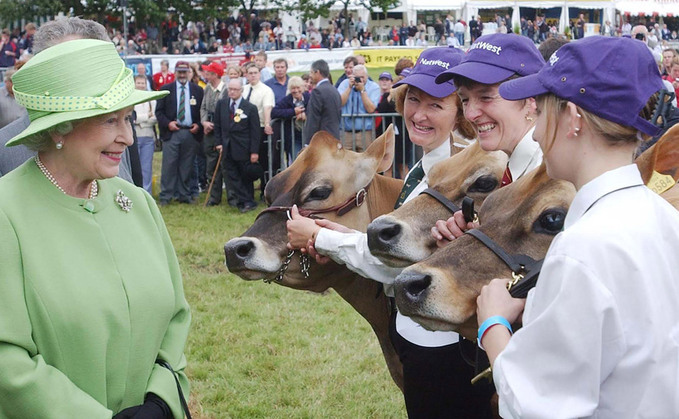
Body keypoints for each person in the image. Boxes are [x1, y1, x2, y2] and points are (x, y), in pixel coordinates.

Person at [477, 35, 679, 419]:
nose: (535, 133)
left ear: (572, 118)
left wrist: (493, 322)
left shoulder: (582, 249)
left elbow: (534, 404)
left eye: (542, 112)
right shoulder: (665, 216)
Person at [286, 46, 493, 419]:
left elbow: (399, 262)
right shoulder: (428, 162)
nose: (419, 113)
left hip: (443, 341)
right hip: (417, 330)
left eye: (436, 105)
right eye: (413, 99)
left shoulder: (460, 171)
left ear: (459, 111)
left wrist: (320, 237)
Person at [0, 37, 191, 418]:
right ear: (60, 129)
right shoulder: (7, 212)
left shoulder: (137, 203)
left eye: (127, 119)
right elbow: (7, 359)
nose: (128, 137)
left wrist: (160, 401)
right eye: (110, 120)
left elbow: (175, 318)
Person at [431, 33, 545, 244]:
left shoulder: (549, 172)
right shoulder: (517, 166)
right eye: (464, 99)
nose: (471, 114)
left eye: (486, 97)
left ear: (531, 100)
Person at [155, 60, 204, 205]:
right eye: (180, 72)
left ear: (189, 72)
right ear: (175, 72)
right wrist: (168, 123)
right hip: (173, 132)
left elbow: (203, 112)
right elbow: (159, 112)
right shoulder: (166, 89)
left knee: (186, 165)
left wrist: (199, 125)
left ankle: (184, 194)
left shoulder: (197, 90)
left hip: (190, 132)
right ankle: (166, 195)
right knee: (169, 165)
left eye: (185, 72)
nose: (182, 75)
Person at [214, 78, 261, 212]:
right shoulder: (222, 104)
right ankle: (243, 200)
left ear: (241, 90)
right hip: (227, 147)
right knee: (231, 175)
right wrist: (218, 143)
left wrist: (254, 151)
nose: (232, 92)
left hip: (243, 148)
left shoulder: (249, 108)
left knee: (245, 175)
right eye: (230, 89)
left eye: (235, 89)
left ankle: (248, 201)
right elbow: (217, 126)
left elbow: (255, 131)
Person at [200, 61, 232, 207]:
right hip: (209, 130)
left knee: (226, 165)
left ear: (215, 74)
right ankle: (214, 196)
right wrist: (204, 122)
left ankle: (232, 196)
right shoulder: (207, 88)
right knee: (211, 164)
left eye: (209, 72)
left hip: (223, 130)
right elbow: (203, 107)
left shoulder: (226, 90)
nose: (206, 75)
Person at [337, 64, 381, 152]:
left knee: (365, 162)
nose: (360, 80)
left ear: (367, 76)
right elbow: (339, 103)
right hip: (346, 132)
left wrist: (362, 90)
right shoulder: (345, 84)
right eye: (357, 77)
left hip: (365, 132)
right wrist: (349, 88)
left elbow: (371, 109)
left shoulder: (374, 87)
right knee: (345, 162)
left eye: (362, 77)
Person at [271, 76, 310, 161]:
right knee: (297, 160)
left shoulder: (309, 97)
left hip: (309, 136)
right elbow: (274, 112)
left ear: (302, 88)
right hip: (293, 138)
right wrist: (293, 112)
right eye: (293, 88)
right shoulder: (286, 100)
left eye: (298, 87)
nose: (296, 91)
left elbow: (316, 109)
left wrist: (305, 114)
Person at [302, 59, 341, 145]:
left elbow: (313, 118)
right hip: (334, 138)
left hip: (322, 141)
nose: (310, 76)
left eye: (311, 72)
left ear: (317, 72)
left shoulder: (317, 91)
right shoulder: (334, 90)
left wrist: (308, 143)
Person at [133, 74, 158, 193]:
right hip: (135, 137)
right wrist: (145, 117)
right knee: (135, 168)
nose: (141, 85)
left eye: (143, 83)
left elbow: (154, 118)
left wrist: (140, 121)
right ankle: (135, 192)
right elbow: (132, 118)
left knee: (146, 168)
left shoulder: (151, 99)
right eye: (138, 83)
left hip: (148, 138)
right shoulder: (131, 98)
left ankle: (147, 194)